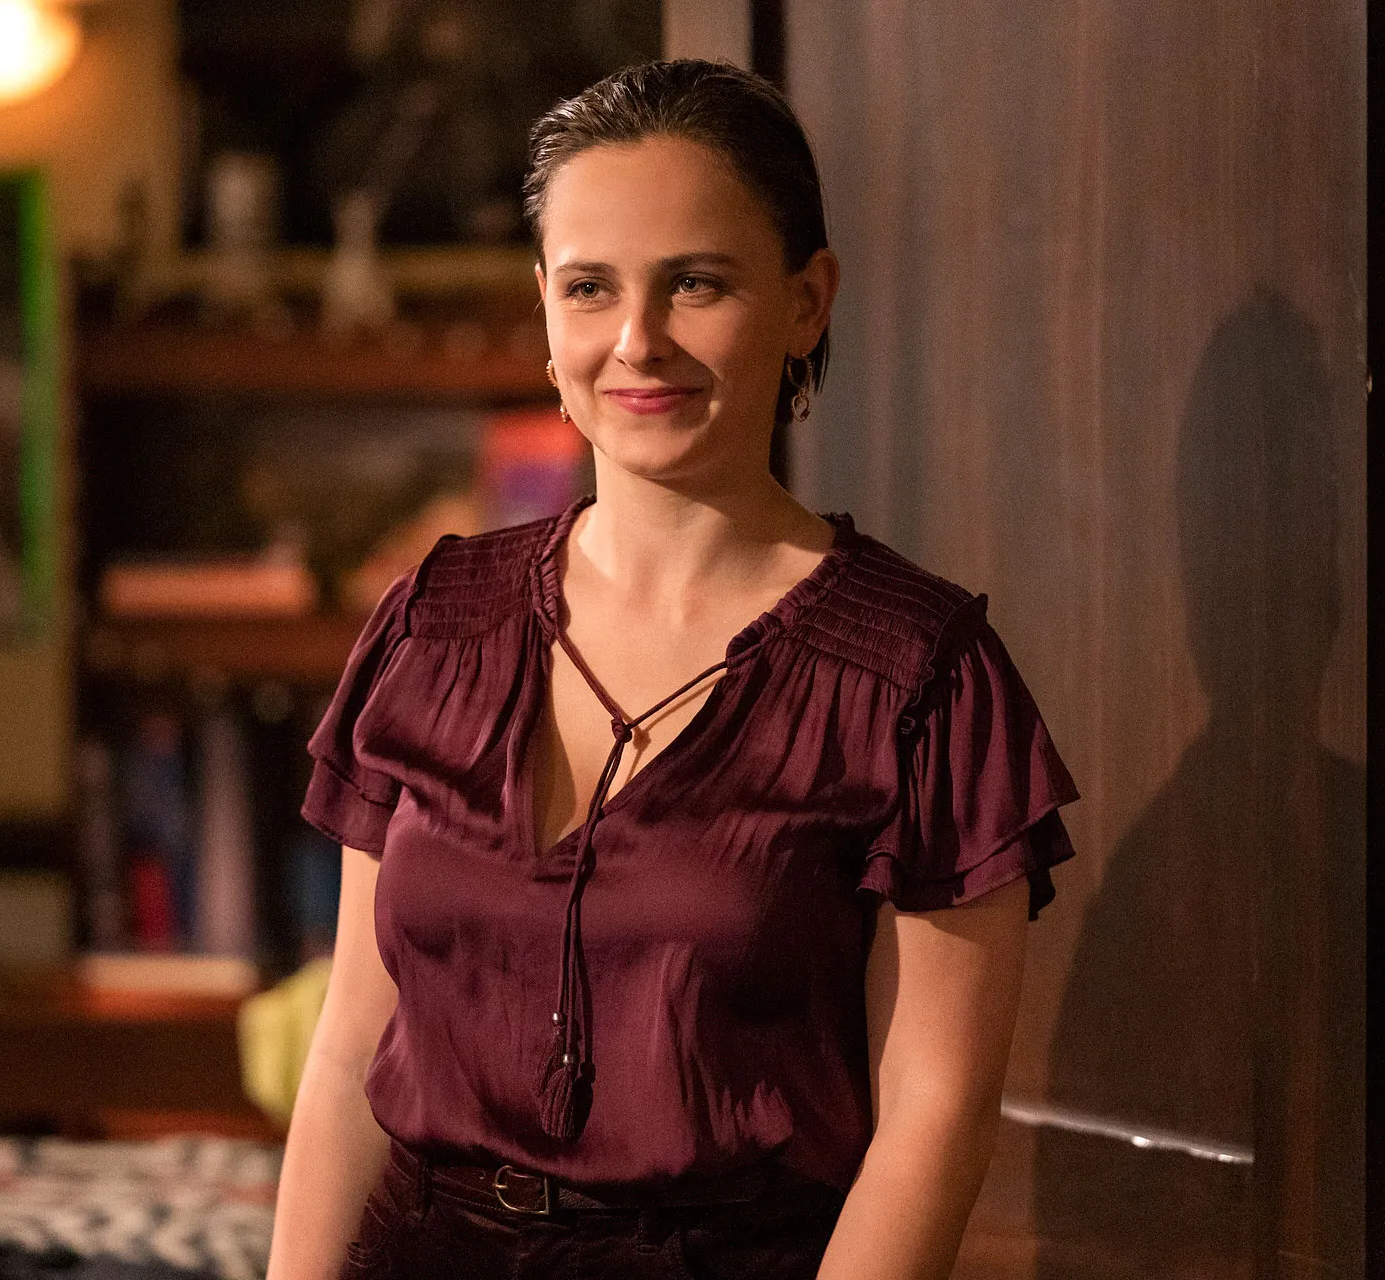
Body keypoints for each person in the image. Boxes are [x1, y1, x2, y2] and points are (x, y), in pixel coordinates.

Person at [265, 59, 1079, 1280]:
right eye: (591, 287)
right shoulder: (434, 623)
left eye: (696, 282)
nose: (637, 342)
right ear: (546, 308)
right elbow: (348, 1050)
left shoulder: (918, 677)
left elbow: (934, 1123)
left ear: (807, 301)